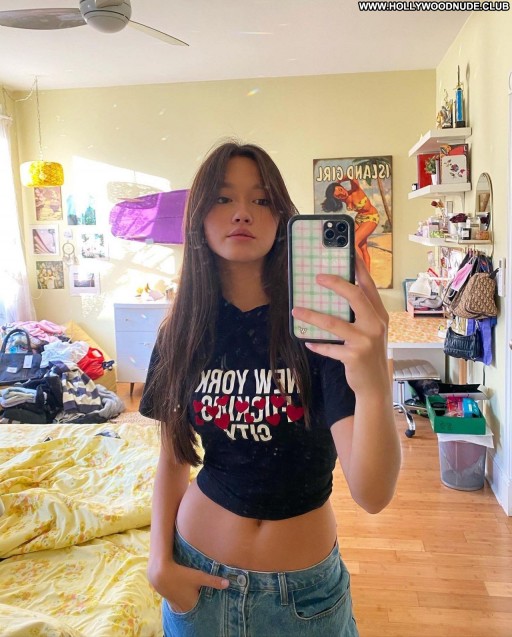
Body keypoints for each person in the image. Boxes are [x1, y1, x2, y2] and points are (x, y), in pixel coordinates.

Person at [140, 141, 401, 637]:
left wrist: (373, 382)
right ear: (198, 216)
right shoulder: (182, 332)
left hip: (305, 597)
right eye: (223, 198)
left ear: (283, 218)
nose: (242, 212)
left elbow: (372, 494)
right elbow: (173, 459)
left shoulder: (319, 329)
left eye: (261, 200)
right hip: (198, 581)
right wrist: (159, 563)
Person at [321, 177, 380, 271]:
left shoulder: (355, 190)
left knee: (353, 242)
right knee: (362, 248)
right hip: (359, 219)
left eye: (341, 190)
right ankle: (367, 274)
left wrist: (340, 180)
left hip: (371, 217)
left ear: (342, 187)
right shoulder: (343, 199)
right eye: (338, 196)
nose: (342, 194)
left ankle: (361, 271)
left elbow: (352, 176)